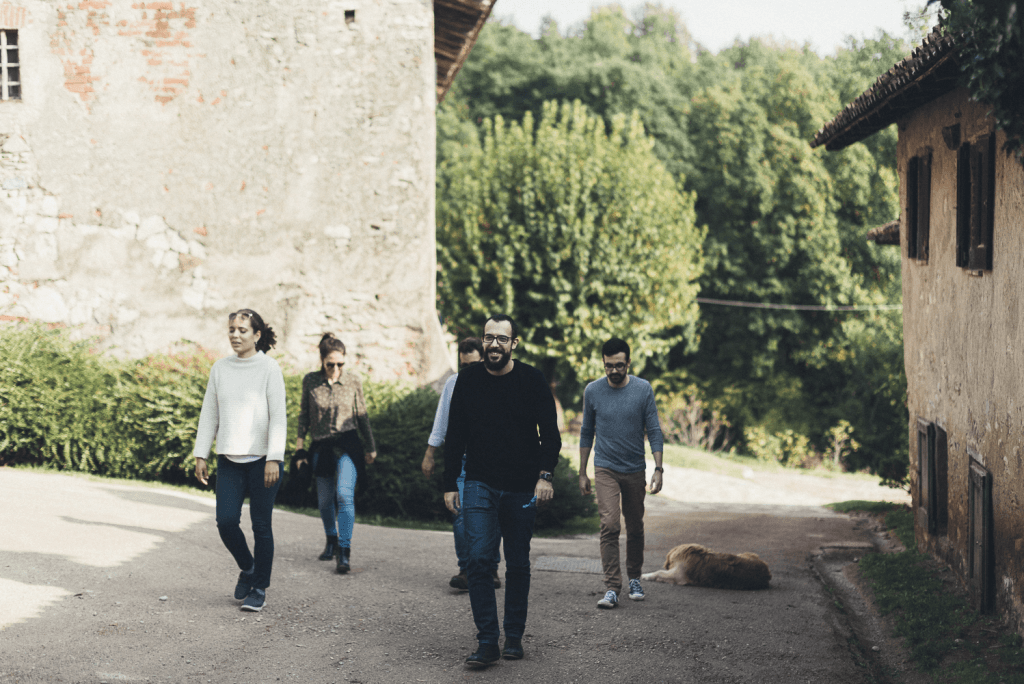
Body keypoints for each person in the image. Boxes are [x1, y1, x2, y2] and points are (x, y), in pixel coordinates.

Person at [443, 314, 561, 668]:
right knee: (478, 559)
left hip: (522, 486)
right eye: (489, 338)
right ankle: (487, 641)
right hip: (479, 481)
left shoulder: (532, 379)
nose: (494, 344)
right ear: (483, 341)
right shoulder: (467, 380)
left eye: (502, 339)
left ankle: (513, 635)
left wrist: (545, 476)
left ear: (514, 344)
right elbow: (455, 433)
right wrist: (449, 482)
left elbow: (550, 434)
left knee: (518, 562)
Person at [193, 308, 287, 613]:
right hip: (230, 460)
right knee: (225, 522)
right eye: (232, 329)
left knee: (261, 526)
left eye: (242, 330)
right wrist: (201, 453)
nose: (235, 335)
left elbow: (278, 417)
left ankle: (259, 587)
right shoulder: (220, 368)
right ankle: (248, 567)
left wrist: (274, 457)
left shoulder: (269, 368)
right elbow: (210, 413)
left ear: (257, 335)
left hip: (263, 461)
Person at [578, 337, 664, 610]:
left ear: (628, 363)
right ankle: (612, 587)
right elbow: (586, 432)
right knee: (610, 525)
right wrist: (582, 472)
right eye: (608, 366)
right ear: (603, 363)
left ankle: (635, 578)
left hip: (635, 469)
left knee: (635, 525)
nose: (614, 370)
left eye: (619, 365)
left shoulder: (643, 389)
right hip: (605, 468)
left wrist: (658, 468)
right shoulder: (593, 391)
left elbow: (654, 430)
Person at [420, 337, 501, 591]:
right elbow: (441, 420)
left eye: (473, 365)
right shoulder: (453, 384)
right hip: (463, 460)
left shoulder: (498, 382)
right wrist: (430, 453)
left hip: (493, 461)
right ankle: (466, 569)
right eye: (463, 366)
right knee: (459, 511)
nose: (468, 371)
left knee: (491, 515)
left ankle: (490, 568)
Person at [295, 333, 377, 574]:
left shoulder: (353, 381)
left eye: (340, 364)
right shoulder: (311, 381)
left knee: (344, 494)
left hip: (347, 445)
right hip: (321, 446)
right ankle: (331, 539)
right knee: (324, 500)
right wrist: (299, 448)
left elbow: (362, 415)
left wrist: (371, 447)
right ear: (322, 361)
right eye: (331, 364)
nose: (336, 369)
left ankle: (344, 550)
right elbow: (303, 415)